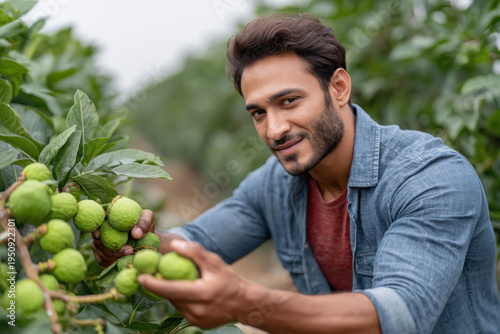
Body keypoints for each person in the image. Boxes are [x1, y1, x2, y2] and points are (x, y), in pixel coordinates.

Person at [91, 13, 500, 333]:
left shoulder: (429, 178)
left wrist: (245, 303)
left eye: (288, 101)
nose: (274, 129)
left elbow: (400, 315)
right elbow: (196, 242)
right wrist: (134, 242)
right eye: (258, 113)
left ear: (338, 88)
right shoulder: (276, 183)